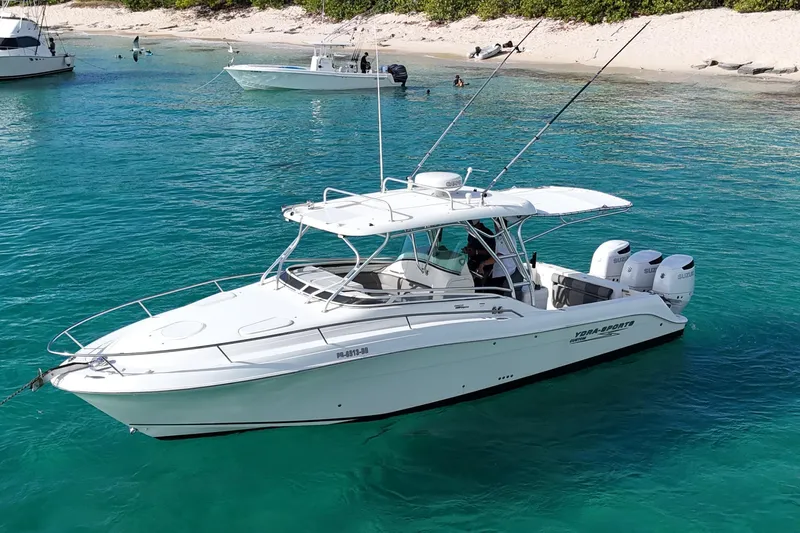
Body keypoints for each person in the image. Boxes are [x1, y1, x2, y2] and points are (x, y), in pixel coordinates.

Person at [478, 219, 520, 294]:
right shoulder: (506, 236)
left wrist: (483, 264)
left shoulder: (504, 239)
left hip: (503, 274)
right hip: (506, 270)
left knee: (486, 289)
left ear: (498, 225)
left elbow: (498, 257)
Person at [463, 220, 494, 287]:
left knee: (479, 285)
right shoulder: (471, 232)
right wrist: (467, 249)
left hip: (485, 265)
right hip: (472, 262)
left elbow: (491, 252)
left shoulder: (488, 234)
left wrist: (476, 252)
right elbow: (469, 244)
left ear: (478, 224)